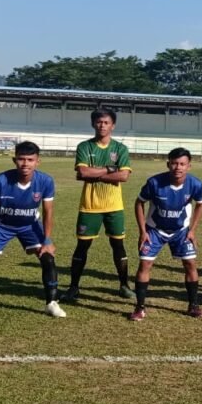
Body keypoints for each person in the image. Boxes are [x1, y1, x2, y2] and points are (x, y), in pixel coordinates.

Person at [0, 141, 64, 324]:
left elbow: (48, 212)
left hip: (30, 225)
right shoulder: (0, 180)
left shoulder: (45, 181)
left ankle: (51, 303)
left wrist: (47, 240)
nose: (25, 164)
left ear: (37, 161)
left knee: (47, 257)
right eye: (21, 159)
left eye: (30, 160)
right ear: (14, 160)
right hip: (1, 225)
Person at [60, 107, 135, 303]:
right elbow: (83, 173)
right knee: (82, 246)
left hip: (114, 206)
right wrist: (110, 169)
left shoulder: (120, 149)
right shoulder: (85, 146)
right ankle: (74, 287)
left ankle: (124, 286)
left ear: (113, 125)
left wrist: (95, 172)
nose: (102, 125)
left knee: (118, 245)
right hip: (90, 206)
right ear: (93, 124)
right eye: (99, 122)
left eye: (106, 122)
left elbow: (124, 176)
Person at [130, 148, 202, 321]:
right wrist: (143, 232)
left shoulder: (195, 184)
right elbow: (139, 203)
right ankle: (139, 308)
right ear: (168, 164)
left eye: (182, 164)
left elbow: (200, 204)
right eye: (174, 163)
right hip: (155, 230)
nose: (178, 167)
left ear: (189, 166)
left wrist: (192, 230)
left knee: (190, 264)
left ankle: (193, 306)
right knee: (145, 266)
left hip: (181, 231)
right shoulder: (154, 183)